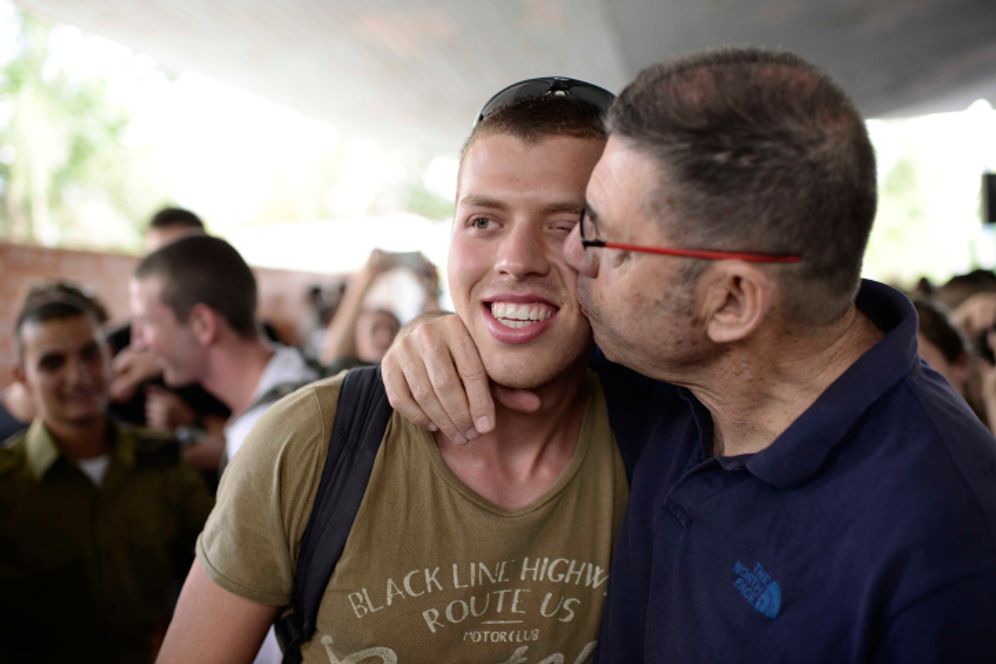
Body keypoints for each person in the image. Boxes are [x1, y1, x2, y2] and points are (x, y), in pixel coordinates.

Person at [381, 48, 996, 662]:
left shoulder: (945, 550)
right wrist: (432, 336)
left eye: (594, 232)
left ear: (729, 302)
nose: (569, 258)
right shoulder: (675, 372)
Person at [156, 82, 627, 663]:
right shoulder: (310, 443)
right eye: (483, 221)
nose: (516, 259)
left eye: (564, 225)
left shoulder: (660, 445)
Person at [130, 233, 319, 663]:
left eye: (147, 322)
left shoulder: (271, 433)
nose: (139, 341)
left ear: (201, 324)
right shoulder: (297, 387)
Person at [0, 283, 213, 663]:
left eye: (89, 354)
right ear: (21, 375)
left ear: (109, 355)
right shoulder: (7, 486)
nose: (78, 375)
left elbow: (217, 565)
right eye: (52, 362)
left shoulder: (162, 462)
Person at [319, 248, 438, 374]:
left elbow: (434, 338)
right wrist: (368, 275)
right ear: (356, 340)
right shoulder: (344, 372)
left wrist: (429, 289)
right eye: (375, 330)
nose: (385, 336)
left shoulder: (412, 371)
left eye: (393, 330)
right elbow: (331, 355)